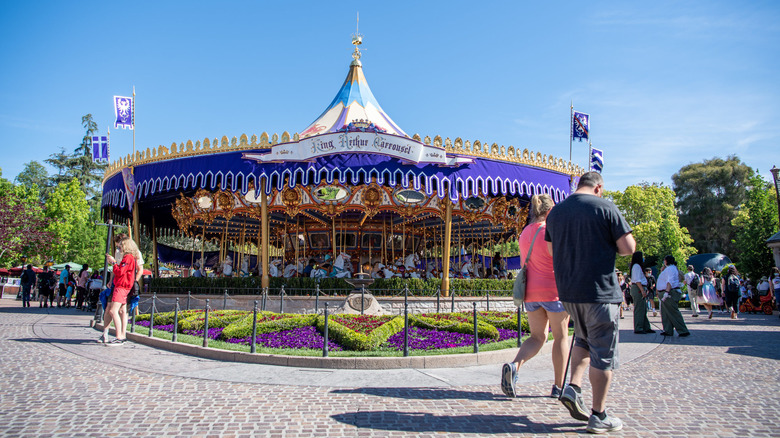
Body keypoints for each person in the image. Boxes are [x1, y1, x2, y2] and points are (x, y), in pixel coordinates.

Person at [545, 171, 635, 434]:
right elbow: (628, 247)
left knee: (582, 339)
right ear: (599, 188)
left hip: (570, 293)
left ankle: (573, 386)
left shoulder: (557, 212)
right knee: (603, 355)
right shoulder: (606, 207)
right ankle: (599, 414)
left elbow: (551, 250)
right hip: (600, 292)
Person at [501, 194, 570, 399]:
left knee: (537, 337)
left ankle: (514, 366)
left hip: (531, 292)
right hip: (553, 290)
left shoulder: (525, 233)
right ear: (550, 211)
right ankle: (558, 386)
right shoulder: (551, 231)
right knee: (561, 337)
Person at [101, 236, 139, 345]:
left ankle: (119, 336)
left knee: (113, 311)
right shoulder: (131, 258)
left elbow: (120, 272)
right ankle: (121, 335)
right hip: (124, 286)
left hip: (121, 286)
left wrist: (113, 263)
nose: (119, 248)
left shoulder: (127, 258)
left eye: (121, 246)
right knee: (122, 310)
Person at [656, 256, 690, 337]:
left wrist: (667, 292)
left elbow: (670, 281)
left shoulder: (671, 269)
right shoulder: (669, 269)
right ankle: (668, 330)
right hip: (665, 291)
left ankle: (682, 330)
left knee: (673, 312)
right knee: (665, 313)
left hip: (669, 292)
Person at [629, 252, 653, 334]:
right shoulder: (636, 266)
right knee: (639, 309)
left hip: (640, 287)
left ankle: (646, 327)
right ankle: (638, 327)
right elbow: (637, 280)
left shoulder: (638, 266)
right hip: (638, 288)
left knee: (643, 309)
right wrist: (642, 290)